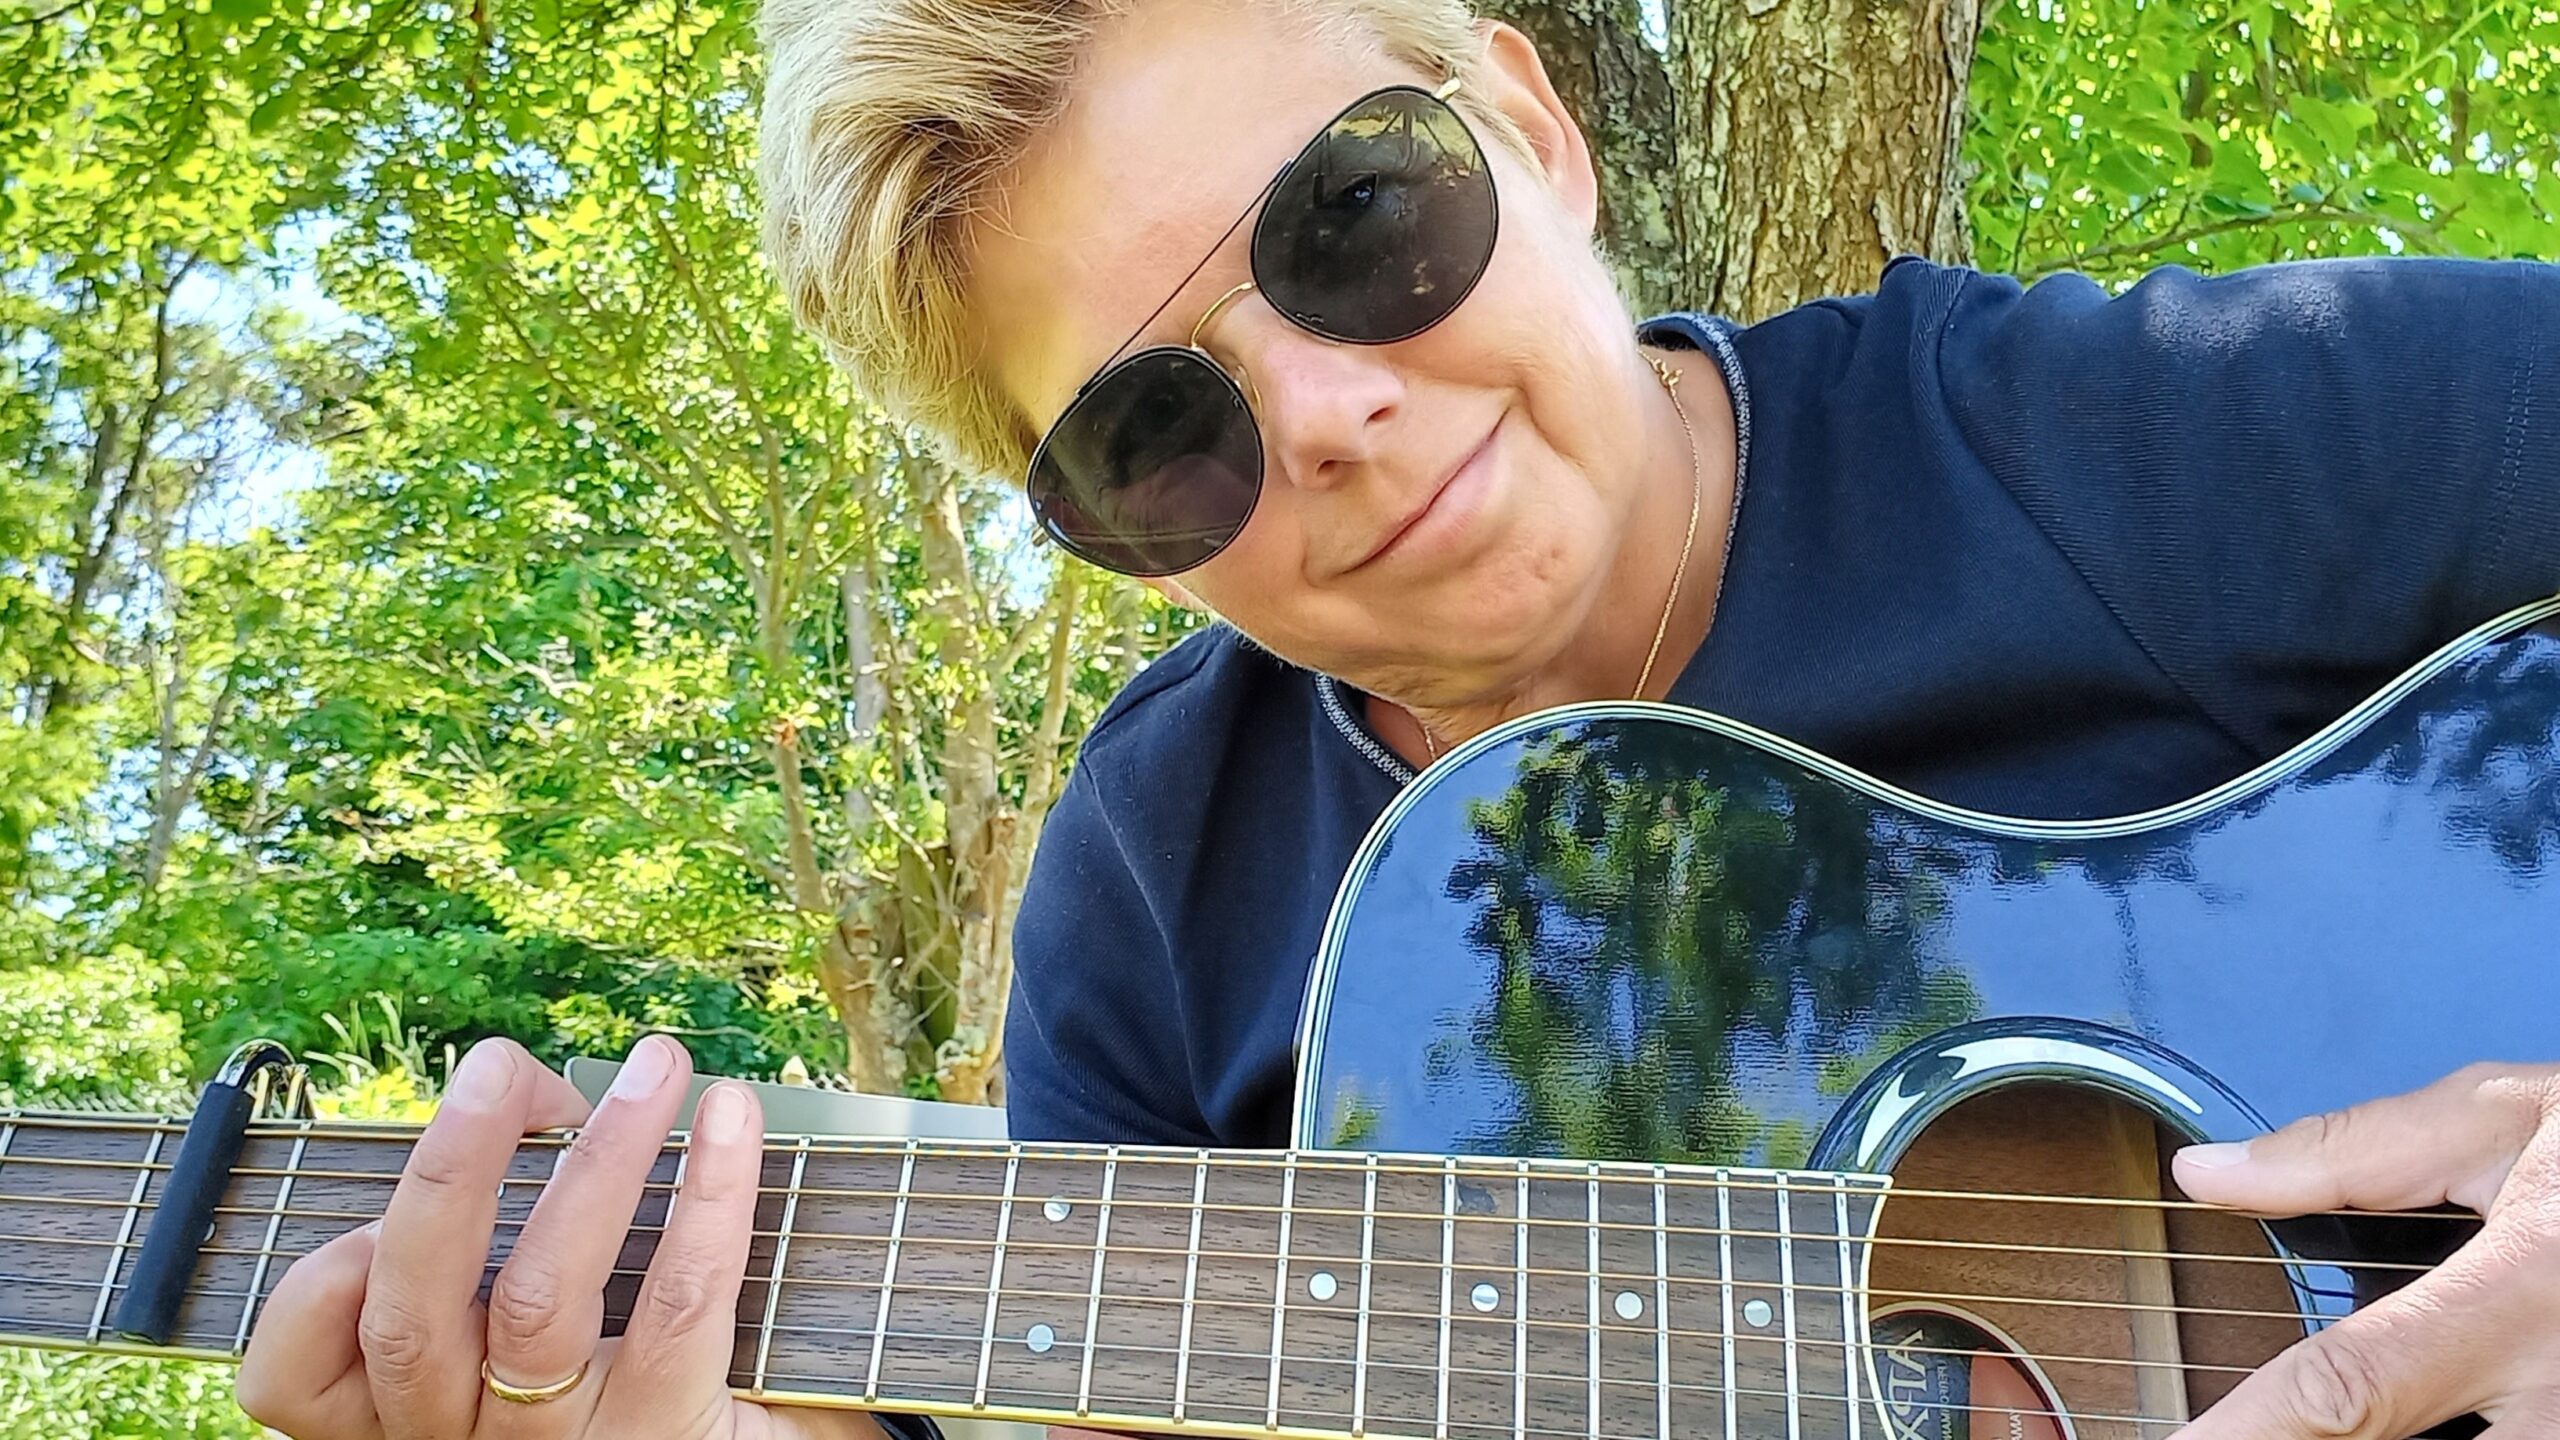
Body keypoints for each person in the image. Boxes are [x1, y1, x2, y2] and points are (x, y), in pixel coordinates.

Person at [235, 1, 2560, 1437]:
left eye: (1353, 219)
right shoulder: (1155, 885)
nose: (1329, 412)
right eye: (1160, 431)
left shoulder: (2148, 437)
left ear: (1531, 130)